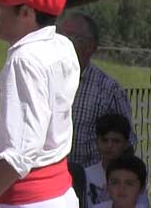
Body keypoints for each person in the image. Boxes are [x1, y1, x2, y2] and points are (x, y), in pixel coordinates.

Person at [0, 0, 81, 208]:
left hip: (25, 201)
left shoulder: (25, 60)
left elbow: (21, 153)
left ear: (25, 13)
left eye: (2, 3)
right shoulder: (62, 44)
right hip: (58, 194)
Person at [58, 13, 136, 168]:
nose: (62, 45)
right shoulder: (45, 81)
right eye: (59, 38)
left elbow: (127, 144)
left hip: (92, 185)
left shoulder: (108, 90)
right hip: (50, 181)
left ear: (91, 46)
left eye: (71, 39)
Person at [84, 114, 146, 208]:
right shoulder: (86, 174)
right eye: (104, 140)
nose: (109, 146)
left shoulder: (135, 172)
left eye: (116, 141)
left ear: (126, 144)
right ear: (97, 142)